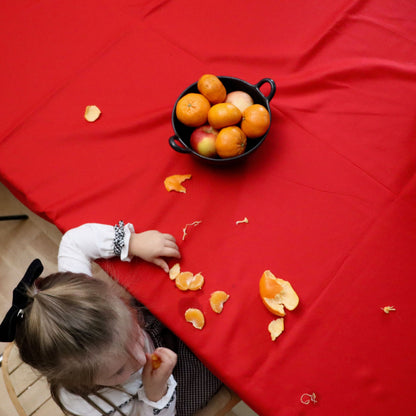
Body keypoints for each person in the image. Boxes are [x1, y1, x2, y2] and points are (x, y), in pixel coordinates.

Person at [0, 221, 222, 416]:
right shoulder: (92, 408)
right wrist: (155, 394)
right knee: (224, 358)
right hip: (170, 389)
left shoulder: (81, 300)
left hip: (159, 332)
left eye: (135, 335)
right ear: (84, 381)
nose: (141, 358)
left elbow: (74, 242)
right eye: (118, 371)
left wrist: (131, 242)